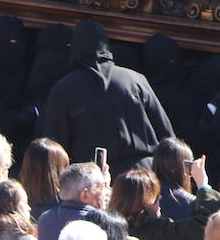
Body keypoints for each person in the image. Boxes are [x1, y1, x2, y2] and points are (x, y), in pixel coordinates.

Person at [38, 20, 174, 175]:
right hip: (144, 175)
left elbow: (55, 147)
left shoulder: (64, 89)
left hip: (92, 182)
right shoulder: (136, 80)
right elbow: (166, 134)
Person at [36, 163, 118, 240]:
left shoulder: (45, 218)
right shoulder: (102, 223)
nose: (105, 192)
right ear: (84, 194)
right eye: (102, 187)